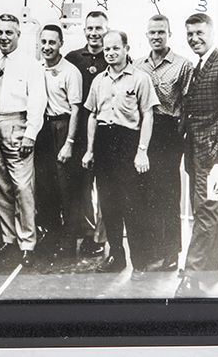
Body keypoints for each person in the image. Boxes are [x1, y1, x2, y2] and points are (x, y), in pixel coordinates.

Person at [82, 30, 159, 280]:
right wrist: (90, 150)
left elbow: (148, 115)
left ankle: (140, 261)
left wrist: (142, 152)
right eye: (107, 49)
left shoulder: (141, 78)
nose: (111, 53)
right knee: (108, 204)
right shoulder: (99, 81)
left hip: (128, 143)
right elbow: (93, 115)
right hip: (104, 144)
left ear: (126, 48)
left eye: (116, 48)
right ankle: (116, 256)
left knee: (133, 204)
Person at [0, 13, 47, 267]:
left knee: (22, 187)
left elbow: (38, 101)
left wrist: (30, 134)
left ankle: (27, 243)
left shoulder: (30, 64)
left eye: (9, 32)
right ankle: (8, 239)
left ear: (19, 35)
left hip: (17, 125)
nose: (3, 37)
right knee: (0, 185)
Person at [175, 13, 218, 297]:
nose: (194, 38)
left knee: (206, 211)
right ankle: (212, 271)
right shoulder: (196, 65)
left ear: (212, 33)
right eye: (190, 34)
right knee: (204, 210)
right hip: (195, 150)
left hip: (213, 153)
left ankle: (192, 275)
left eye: (199, 33)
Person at [134, 14, 194, 272]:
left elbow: (188, 103)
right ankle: (152, 249)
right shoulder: (137, 64)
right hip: (143, 131)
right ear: (146, 35)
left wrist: (180, 132)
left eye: (161, 32)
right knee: (145, 192)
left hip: (169, 132)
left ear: (169, 34)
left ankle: (171, 253)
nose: (156, 36)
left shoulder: (183, 65)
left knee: (168, 193)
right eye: (152, 32)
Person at [34, 24, 83, 259]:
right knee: (46, 187)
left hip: (63, 127)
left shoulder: (71, 71)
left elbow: (76, 110)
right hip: (43, 128)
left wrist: (69, 142)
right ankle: (51, 238)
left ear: (61, 44)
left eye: (52, 42)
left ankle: (68, 243)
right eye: (43, 42)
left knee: (67, 189)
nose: (47, 47)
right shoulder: (37, 68)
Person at [65, 11, 109, 258]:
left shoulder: (114, 55)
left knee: (104, 189)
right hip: (79, 134)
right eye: (90, 28)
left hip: (106, 134)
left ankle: (100, 239)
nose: (94, 33)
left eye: (98, 28)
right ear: (84, 31)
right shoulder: (72, 58)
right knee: (80, 188)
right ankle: (86, 232)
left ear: (106, 29)